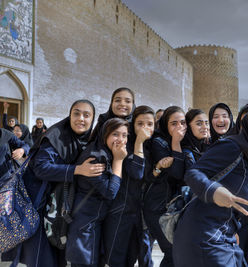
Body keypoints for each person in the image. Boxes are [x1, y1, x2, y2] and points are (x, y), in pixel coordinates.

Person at [173, 101, 248, 267]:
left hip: (224, 235)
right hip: (204, 236)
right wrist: (214, 191)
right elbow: (193, 173)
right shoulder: (232, 146)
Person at [3, 100, 101, 267]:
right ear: (69, 115)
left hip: (59, 209)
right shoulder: (56, 136)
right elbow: (41, 168)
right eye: (76, 113)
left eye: (86, 115)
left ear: (92, 120)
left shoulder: (86, 140)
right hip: (39, 206)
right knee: (43, 258)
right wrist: (76, 170)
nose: (81, 119)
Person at [66, 118, 129, 267]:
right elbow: (110, 192)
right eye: (115, 134)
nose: (120, 140)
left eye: (124, 135)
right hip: (84, 227)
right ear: (104, 134)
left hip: (93, 224)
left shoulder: (105, 152)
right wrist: (118, 161)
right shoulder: (95, 157)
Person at [102, 106, 155, 267]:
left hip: (141, 213)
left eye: (150, 124)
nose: (145, 128)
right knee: (117, 259)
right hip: (121, 211)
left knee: (138, 256)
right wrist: (138, 141)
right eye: (140, 124)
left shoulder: (155, 146)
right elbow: (136, 172)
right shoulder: (126, 145)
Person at [143, 106, 186, 267]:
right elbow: (176, 173)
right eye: (174, 123)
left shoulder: (185, 141)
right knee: (171, 252)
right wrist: (175, 142)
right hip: (158, 207)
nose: (179, 127)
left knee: (176, 253)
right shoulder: (159, 142)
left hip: (174, 206)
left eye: (183, 123)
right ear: (165, 125)